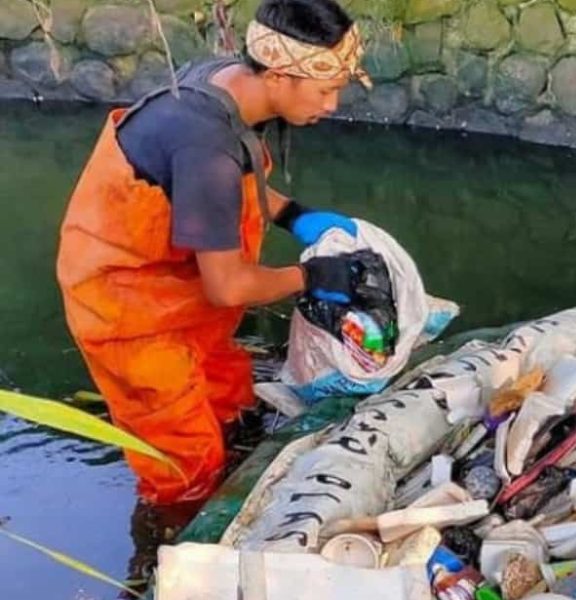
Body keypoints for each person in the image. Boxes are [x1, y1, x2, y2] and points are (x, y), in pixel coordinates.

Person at [56, 0, 373, 505]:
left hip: (180, 285)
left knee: (230, 398)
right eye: (326, 90)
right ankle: (169, 551)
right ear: (277, 76)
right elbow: (227, 287)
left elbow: (226, 189)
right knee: (185, 469)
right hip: (128, 310)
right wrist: (313, 276)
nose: (333, 105)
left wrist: (293, 214)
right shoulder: (203, 144)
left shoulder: (228, 82)